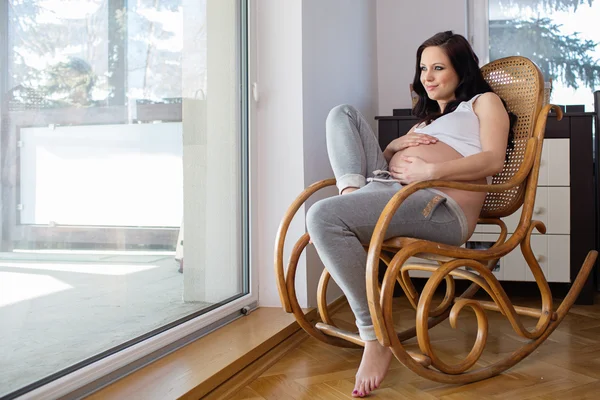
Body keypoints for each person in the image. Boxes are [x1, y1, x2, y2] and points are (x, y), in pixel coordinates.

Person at [306, 31, 513, 398]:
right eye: (422, 69)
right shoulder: (428, 121)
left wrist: (431, 172)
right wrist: (393, 147)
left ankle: (375, 335)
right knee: (344, 114)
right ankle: (354, 197)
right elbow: (394, 163)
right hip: (391, 190)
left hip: (439, 206)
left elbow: (493, 159)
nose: (426, 78)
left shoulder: (484, 102)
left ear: (461, 71)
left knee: (322, 217)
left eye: (437, 68)